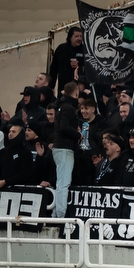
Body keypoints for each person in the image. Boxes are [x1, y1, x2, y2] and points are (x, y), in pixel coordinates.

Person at [52, 82, 81, 218]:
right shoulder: (68, 108)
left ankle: (55, 213)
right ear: (76, 94)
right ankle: (60, 215)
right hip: (64, 148)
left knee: (60, 182)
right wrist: (78, 135)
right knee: (63, 183)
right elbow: (64, 127)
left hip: (59, 147)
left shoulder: (60, 106)